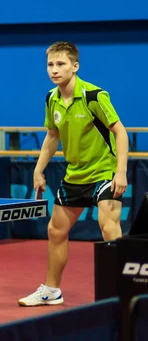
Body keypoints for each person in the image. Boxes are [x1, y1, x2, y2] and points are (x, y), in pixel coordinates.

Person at [18, 41, 129, 307]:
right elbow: (52, 136)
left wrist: (121, 172)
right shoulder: (51, 98)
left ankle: (122, 289)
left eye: (61, 64)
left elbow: (120, 132)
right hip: (75, 175)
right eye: (50, 65)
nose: (54, 70)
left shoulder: (94, 96)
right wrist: (38, 170)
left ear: (75, 66)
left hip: (104, 172)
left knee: (108, 226)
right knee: (56, 230)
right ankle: (51, 290)